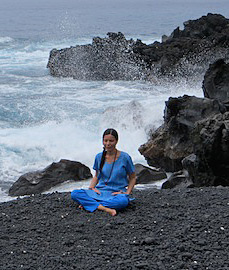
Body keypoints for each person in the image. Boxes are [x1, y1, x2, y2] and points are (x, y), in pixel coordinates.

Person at [71, 128, 136, 216]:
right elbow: (96, 176)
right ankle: (104, 208)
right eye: (105, 141)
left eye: (111, 141)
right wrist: (91, 188)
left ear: (116, 141)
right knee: (75, 194)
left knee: (123, 201)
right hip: (100, 192)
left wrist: (127, 193)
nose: (108, 144)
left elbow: (132, 178)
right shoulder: (99, 157)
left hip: (116, 193)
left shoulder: (125, 157)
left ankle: (89, 204)